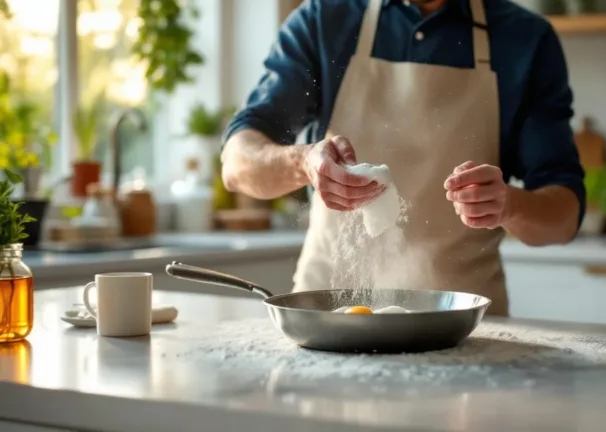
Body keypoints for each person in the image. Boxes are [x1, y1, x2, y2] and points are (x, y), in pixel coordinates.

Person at [220, 0, 585, 316]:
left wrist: (509, 205)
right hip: (329, 326)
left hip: (465, 334)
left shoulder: (524, 39)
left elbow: (564, 216)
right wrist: (303, 163)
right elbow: (237, 164)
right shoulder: (325, 19)